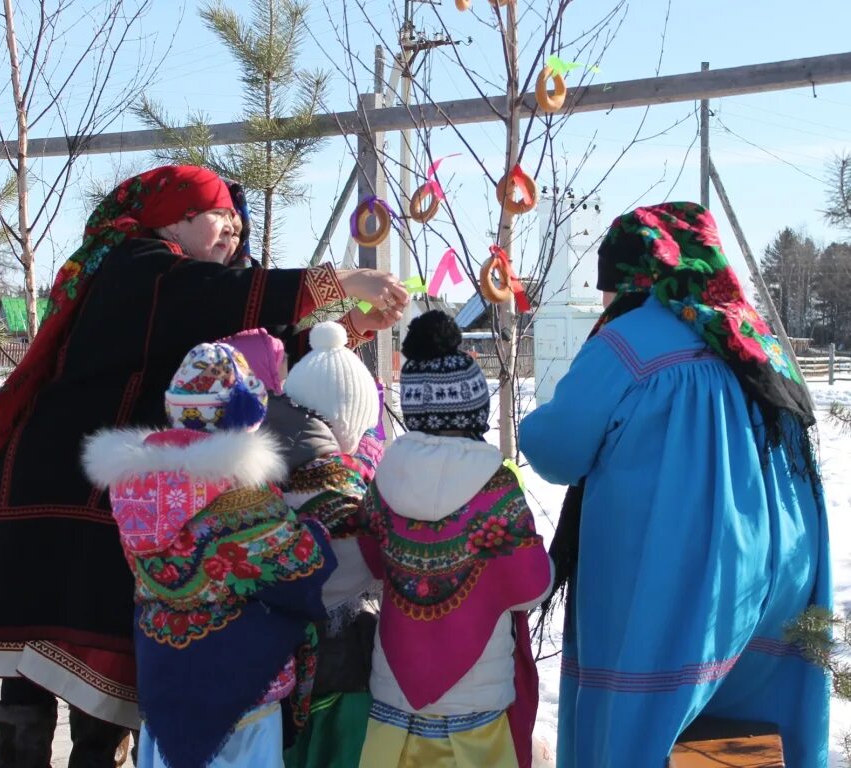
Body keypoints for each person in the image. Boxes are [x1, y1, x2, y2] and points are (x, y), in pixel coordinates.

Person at [0, 164, 408, 767]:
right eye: (220, 217)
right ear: (175, 217)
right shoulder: (138, 265)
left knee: (75, 651)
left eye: (237, 223)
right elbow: (214, 302)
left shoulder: (161, 280)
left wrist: (345, 327)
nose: (231, 232)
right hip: (70, 486)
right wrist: (342, 281)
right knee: (76, 646)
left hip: (87, 483)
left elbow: (251, 351)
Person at [519, 202, 830, 767]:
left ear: (635, 278)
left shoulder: (630, 339)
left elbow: (557, 448)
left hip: (680, 569)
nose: (606, 299)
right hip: (782, 567)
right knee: (748, 734)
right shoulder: (754, 336)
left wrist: (531, 422)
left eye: (608, 284)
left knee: (644, 729)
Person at [81, 341, 336, 768]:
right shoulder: (245, 497)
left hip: (165, 680)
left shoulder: (134, 490)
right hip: (241, 687)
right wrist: (316, 528)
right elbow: (302, 570)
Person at [357, 311, 553, 768]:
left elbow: (367, 561)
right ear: (475, 410)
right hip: (476, 703)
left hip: (395, 696)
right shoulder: (495, 487)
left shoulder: (384, 480)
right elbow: (533, 584)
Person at [240, 321, 383, 768]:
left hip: (269, 659)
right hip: (339, 659)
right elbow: (363, 568)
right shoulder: (347, 483)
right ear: (349, 421)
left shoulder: (253, 464)